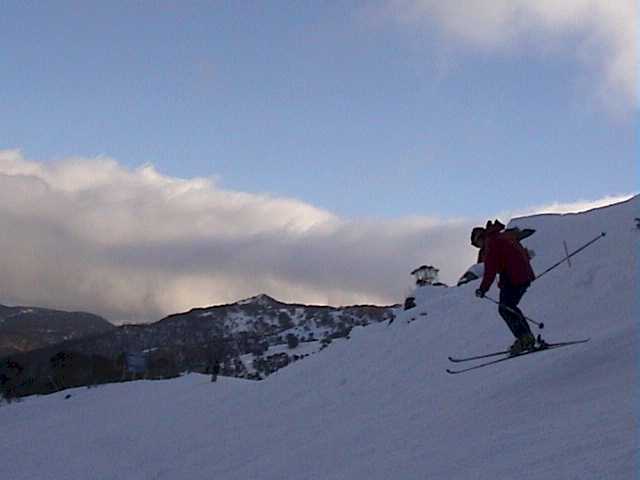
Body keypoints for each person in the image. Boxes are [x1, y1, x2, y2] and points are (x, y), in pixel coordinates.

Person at [471, 220, 537, 354]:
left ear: (480, 238)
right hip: (524, 276)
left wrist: (483, 289)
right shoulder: (502, 236)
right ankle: (526, 337)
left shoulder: (492, 244)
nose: (479, 248)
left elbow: (490, 270)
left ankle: (525, 339)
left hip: (513, 278)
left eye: (477, 244)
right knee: (510, 307)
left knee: (505, 308)